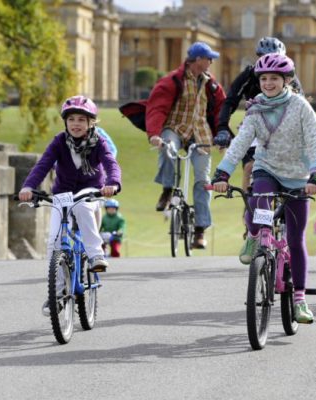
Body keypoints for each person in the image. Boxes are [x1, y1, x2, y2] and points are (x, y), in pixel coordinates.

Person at [211, 53, 316, 323]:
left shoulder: (300, 106)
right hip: (268, 168)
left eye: (274, 78)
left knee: (296, 240)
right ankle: (255, 237)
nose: (268, 83)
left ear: (286, 80)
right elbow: (240, 143)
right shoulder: (255, 109)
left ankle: (299, 299)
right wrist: (223, 172)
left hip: (298, 176)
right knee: (257, 202)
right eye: (263, 78)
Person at [18, 95, 121, 315]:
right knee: (54, 241)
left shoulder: (99, 142)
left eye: (81, 120)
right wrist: (28, 187)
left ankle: (96, 256)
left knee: (83, 208)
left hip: (90, 192)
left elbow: (111, 163)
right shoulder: (59, 141)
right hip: (62, 194)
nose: (76, 123)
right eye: (71, 119)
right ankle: (56, 296)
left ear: (91, 123)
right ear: (65, 121)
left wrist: (112, 183)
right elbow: (43, 165)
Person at [145, 41, 226, 249]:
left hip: (200, 133)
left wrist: (222, 136)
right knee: (168, 147)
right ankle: (167, 189)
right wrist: (154, 134)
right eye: (209, 59)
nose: (211, 62)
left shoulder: (211, 83)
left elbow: (220, 111)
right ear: (198, 60)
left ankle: (200, 230)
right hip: (176, 127)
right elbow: (157, 107)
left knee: (202, 180)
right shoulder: (173, 80)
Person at [214, 37, 303, 191]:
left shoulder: (290, 78)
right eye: (264, 57)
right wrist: (222, 127)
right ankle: (249, 208)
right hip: (255, 126)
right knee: (250, 166)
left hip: (283, 130)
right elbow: (230, 101)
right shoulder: (249, 74)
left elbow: (302, 108)